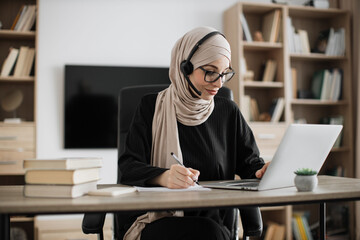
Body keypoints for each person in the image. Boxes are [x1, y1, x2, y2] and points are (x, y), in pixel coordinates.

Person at [117, 26, 269, 240]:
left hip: (214, 223)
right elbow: (128, 168)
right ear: (185, 67)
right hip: (156, 220)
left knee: (209, 231)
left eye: (224, 73)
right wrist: (163, 176)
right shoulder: (150, 107)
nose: (218, 82)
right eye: (210, 72)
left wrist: (262, 171)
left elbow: (249, 165)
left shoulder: (228, 112)